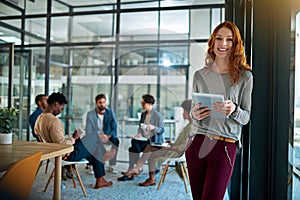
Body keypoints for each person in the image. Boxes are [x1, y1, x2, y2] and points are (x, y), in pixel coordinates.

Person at [186, 21, 253, 200]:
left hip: (224, 146)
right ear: (213, 42)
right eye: (219, 39)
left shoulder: (244, 76)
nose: (223, 44)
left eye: (229, 40)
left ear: (235, 44)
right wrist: (194, 114)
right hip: (196, 143)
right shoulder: (200, 75)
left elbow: (246, 117)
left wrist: (234, 110)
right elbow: (194, 113)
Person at [34, 92, 116, 189]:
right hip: (65, 154)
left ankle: (100, 176)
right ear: (56, 104)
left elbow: (54, 141)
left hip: (53, 153)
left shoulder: (39, 119)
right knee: (93, 137)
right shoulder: (53, 121)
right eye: (61, 108)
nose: (60, 111)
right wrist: (74, 138)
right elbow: (62, 144)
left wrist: (73, 139)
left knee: (92, 143)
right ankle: (102, 162)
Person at [119, 99, 193, 186]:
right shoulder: (189, 125)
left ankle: (142, 172)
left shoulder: (191, 127)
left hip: (176, 151)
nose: (182, 113)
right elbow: (182, 143)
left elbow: (183, 147)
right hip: (168, 146)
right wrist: (171, 143)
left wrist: (169, 146)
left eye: (184, 111)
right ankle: (139, 169)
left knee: (151, 152)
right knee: (139, 146)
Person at [118, 94, 164, 181]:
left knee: (133, 148)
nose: (141, 105)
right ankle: (135, 168)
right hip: (144, 140)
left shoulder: (157, 115)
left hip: (153, 142)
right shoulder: (143, 115)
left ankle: (135, 168)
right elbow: (140, 127)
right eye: (141, 103)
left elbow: (161, 130)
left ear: (150, 103)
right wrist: (139, 133)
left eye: (143, 103)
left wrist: (153, 127)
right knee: (133, 144)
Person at [85, 94, 120, 174]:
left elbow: (114, 129)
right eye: (100, 102)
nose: (102, 104)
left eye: (103, 102)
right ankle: (91, 165)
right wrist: (98, 137)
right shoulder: (91, 114)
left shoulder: (110, 113)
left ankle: (112, 165)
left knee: (115, 141)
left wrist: (108, 136)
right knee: (89, 141)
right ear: (96, 103)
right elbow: (88, 130)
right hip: (96, 137)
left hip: (107, 136)